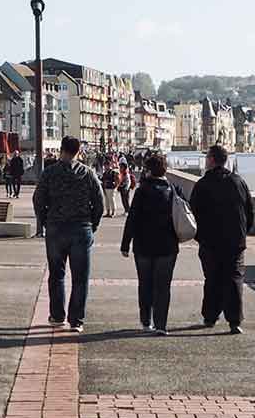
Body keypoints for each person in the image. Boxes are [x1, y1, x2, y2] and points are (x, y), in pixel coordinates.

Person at [32, 135, 105, 332]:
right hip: (81, 229)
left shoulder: (50, 173)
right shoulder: (87, 173)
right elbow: (99, 202)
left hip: (56, 229)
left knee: (57, 274)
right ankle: (76, 320)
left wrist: (45, 220)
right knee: (80, 277)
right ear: (78, 151)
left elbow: (38, 199)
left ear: (61, 149)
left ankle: (57, 316)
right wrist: (93, 224)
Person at [188, 143, 254, 333]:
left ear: (211, 160)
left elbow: (193, 213)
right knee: (234, 279)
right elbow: (249, 210)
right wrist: (243, 233)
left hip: (210, 241)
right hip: (235, 241)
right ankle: (234, 320)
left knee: (212, 278)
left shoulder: (202, 184)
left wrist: (200, 237)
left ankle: (210, 316)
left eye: (207, 157)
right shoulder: (238, 182)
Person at [120, 151, 181, 334]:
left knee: (145, 283)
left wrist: (125, 244)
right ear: (165, 170)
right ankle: (161, 324)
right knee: (163, 285)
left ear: (148, 171)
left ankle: (146, 320)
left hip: (143, 246)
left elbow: (132, 219)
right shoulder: (174, 190)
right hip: (167, 246)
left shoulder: (141, 192)